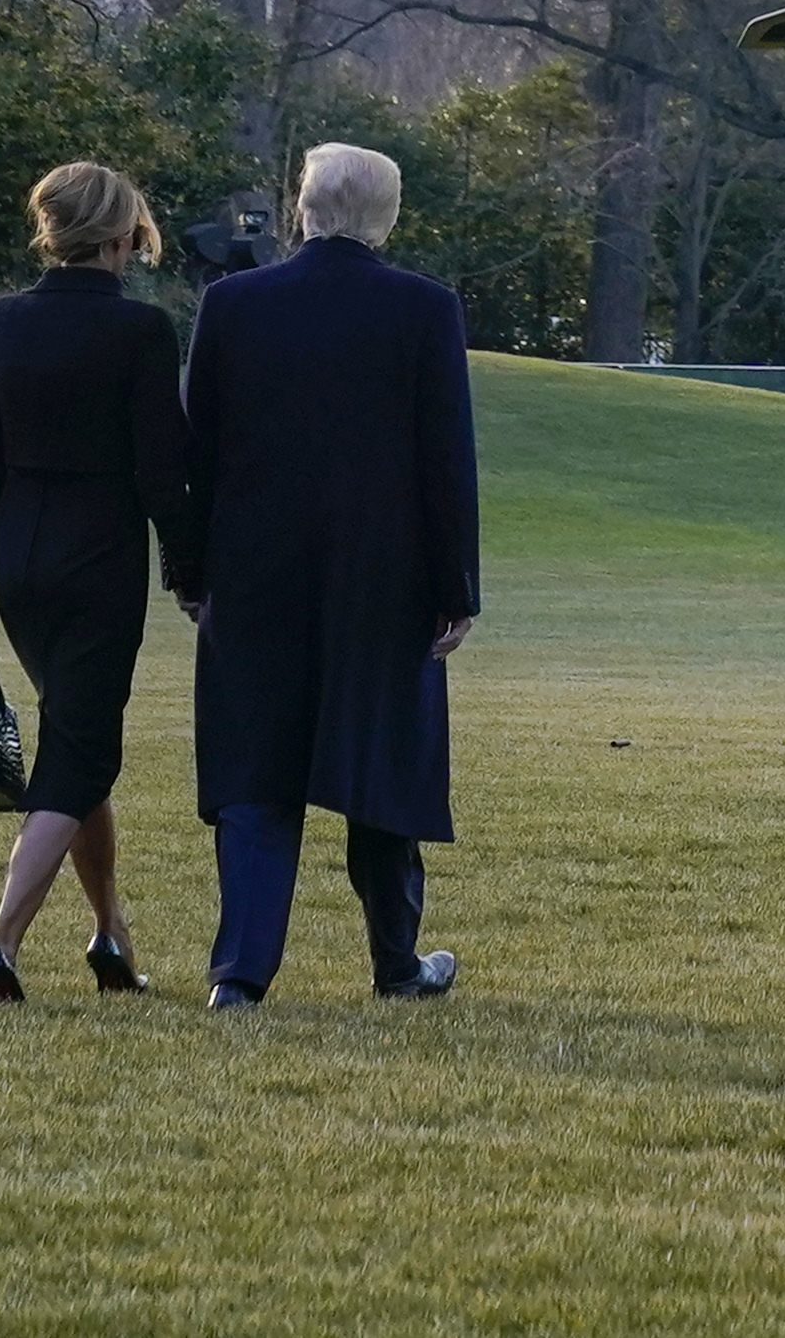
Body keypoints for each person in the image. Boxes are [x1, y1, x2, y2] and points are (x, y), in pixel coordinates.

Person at [176, 144, 480, 1007]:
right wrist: (457, 587)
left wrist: (192, 573)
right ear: (386, 215)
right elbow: (445, 462)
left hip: (255, 572)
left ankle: (240, 974)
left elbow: (199, 451)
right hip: (385, 578)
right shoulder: (424, 309)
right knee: (381, 765)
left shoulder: (233, 305)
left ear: (302, 205)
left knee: (254, 773)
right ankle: (395, 963)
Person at [0, 161, 200, 1002]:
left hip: (16, 555)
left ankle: (110, 937)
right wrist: (189, 573)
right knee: (81, 751)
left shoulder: (5, 321)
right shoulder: (141, 331)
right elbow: (162, 475)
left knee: (74, 740)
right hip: (98, 557)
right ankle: (2, 941)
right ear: (122, 235)